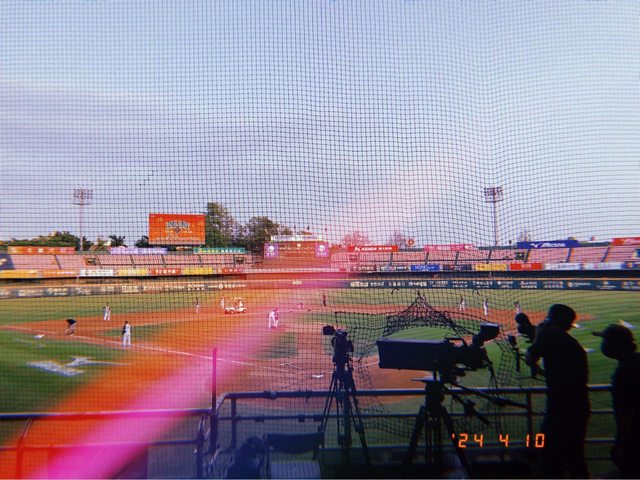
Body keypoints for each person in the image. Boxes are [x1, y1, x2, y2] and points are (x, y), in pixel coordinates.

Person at [525, 304, 590, 478]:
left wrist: (538, 335)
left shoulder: (550, 333)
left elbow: (530, 358)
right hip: (578, 406)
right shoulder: (568, 340)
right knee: (574, 457)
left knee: (548, 455)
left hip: (561, 408)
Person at [593, 324, 640, 478]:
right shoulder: (635, 361)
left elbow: (626, 412)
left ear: (616, 344)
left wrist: (621, 442)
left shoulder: (624, 371)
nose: (604, 345)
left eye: (606, 340)